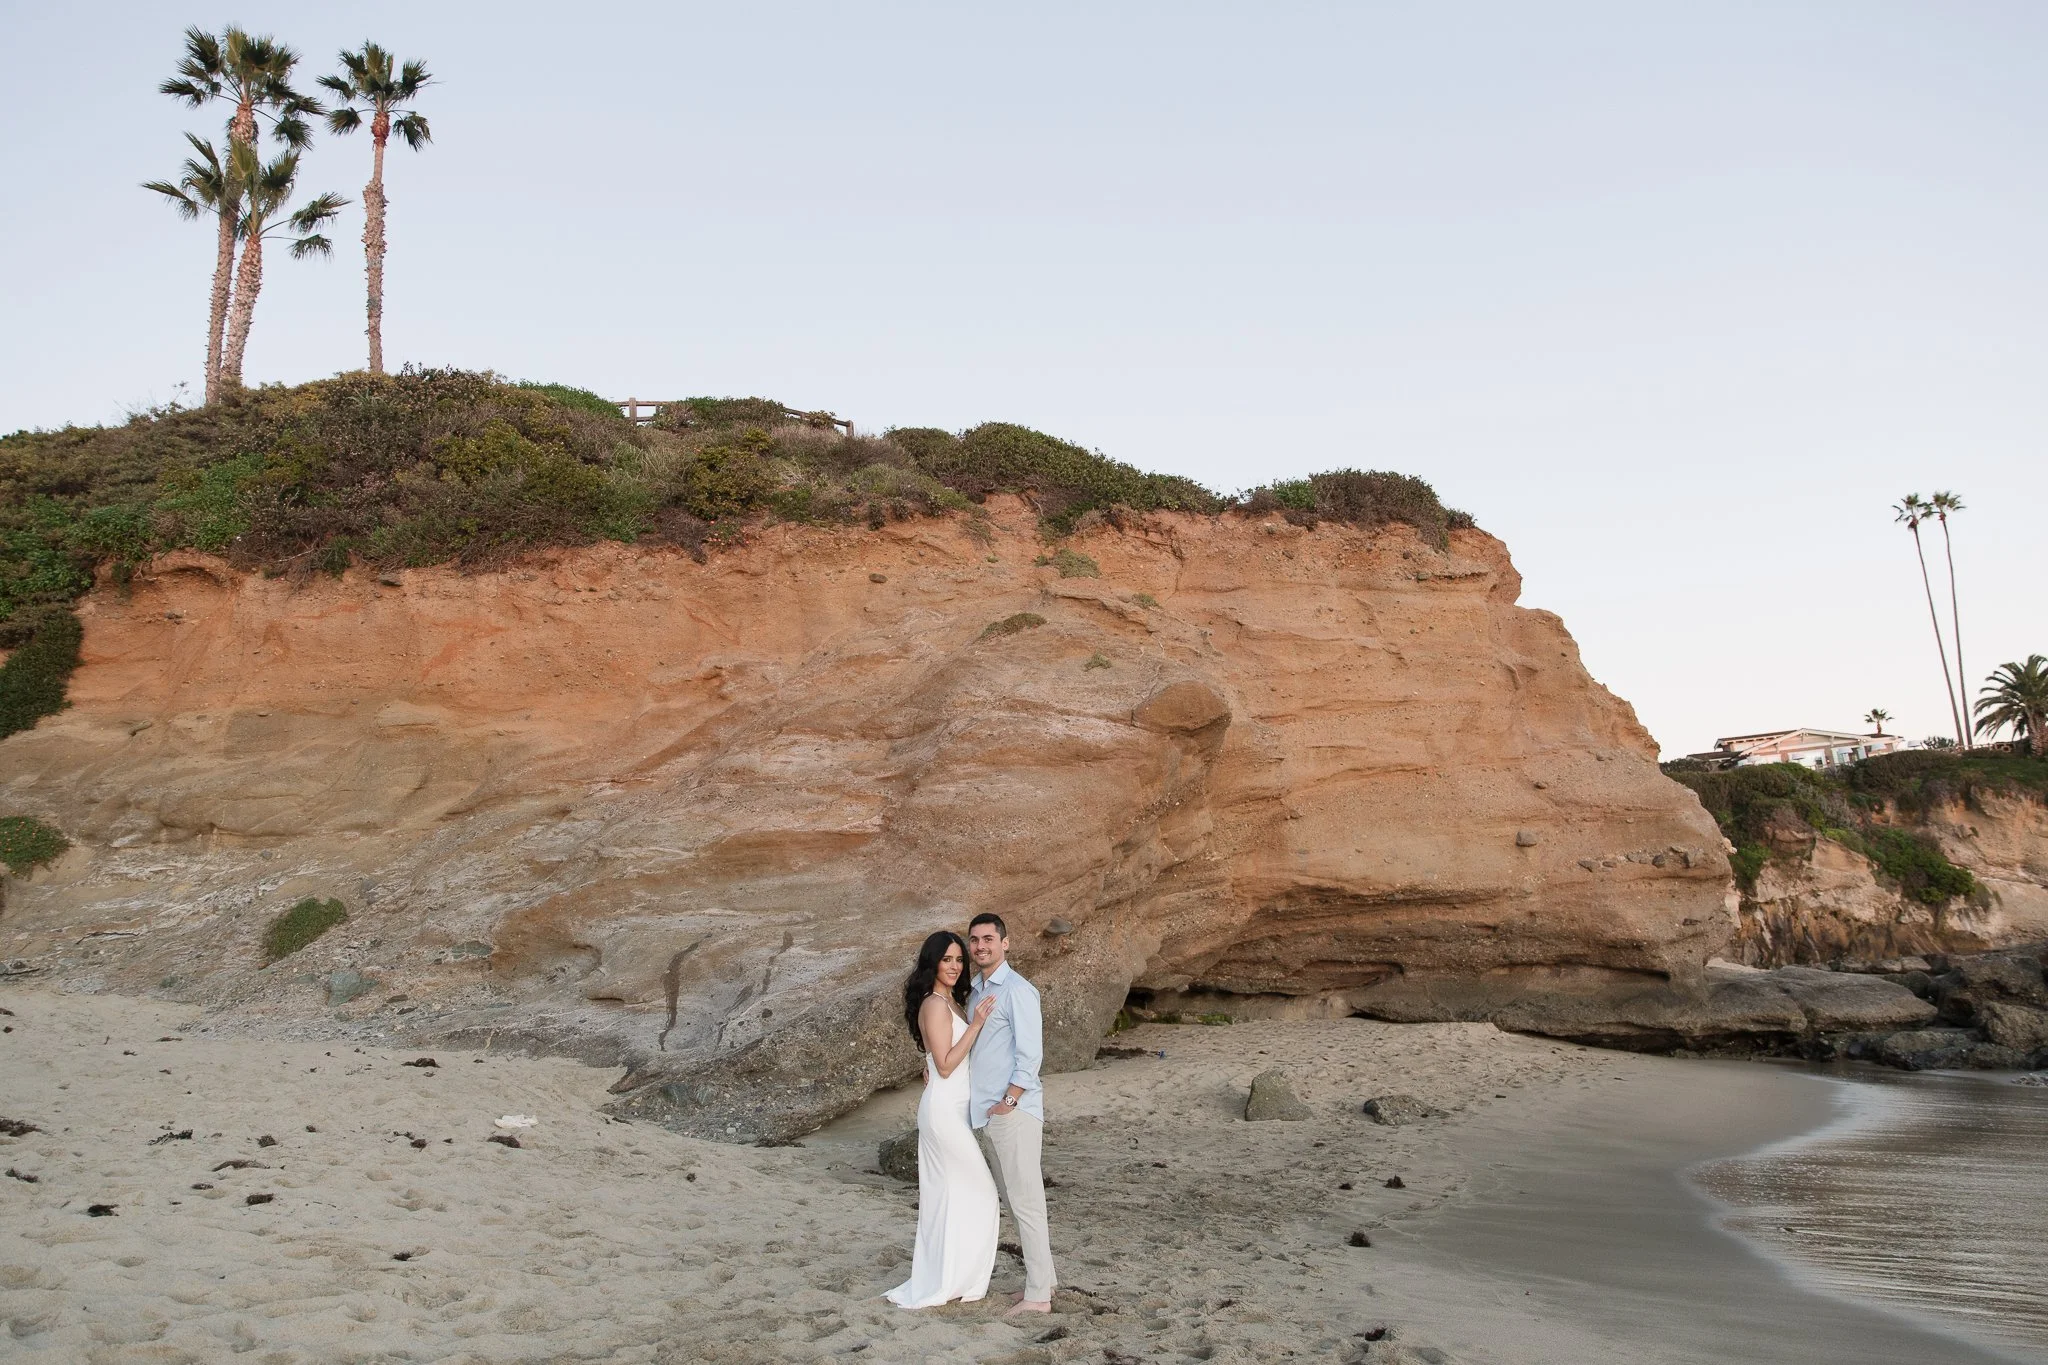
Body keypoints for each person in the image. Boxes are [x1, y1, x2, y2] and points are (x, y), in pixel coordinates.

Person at [884, 930, 1000, 1309]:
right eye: (946, 959)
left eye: (959, 960)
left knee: (954, 1196)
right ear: (932, 963)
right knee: (981, 1193)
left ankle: (951, 1278)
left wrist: (932, 1064)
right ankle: (949, 1280)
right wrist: (976, 1025)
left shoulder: (951, 1001)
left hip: (954, 1108)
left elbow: (942, 1060)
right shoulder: (935, 1004)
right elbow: (947, 1065)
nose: (954, 966)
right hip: (943, 1112)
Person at [966, 912, 1058, 1314]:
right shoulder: (975, 992)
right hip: (989, 1113)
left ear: (1005, 943)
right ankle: (1044, 1283)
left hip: (1013, 1113)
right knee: (1016, 1202)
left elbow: (1030, 1054)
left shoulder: (1019, 990)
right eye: (974, 940)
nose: (980, 946)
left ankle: (1038, 1297)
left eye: (988, 938)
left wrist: (1010, 1102)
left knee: (1026, 1204)